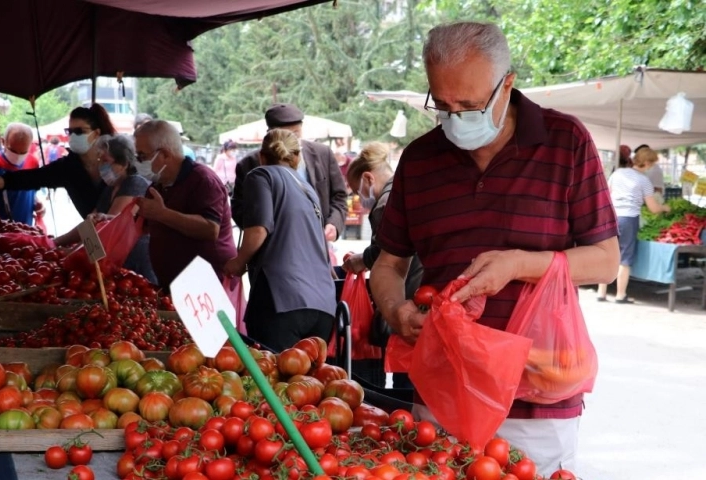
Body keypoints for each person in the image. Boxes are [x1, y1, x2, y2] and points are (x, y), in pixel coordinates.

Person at [369, 21, 620, 475]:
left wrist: (521, 265)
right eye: (442, 105)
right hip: (443, 397)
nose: (455, 117)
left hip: (538, 399)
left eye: (469, 105)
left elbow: (605, 260)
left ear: (507, 84)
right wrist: (395, 310)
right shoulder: (420, 159)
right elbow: (388, 264)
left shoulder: (567, 142)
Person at [224, 129, 336, 351]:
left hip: (281, 300)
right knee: (309, 383)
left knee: (273, 379)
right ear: (297, 158)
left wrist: (238, 263)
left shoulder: (261, 175)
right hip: (323, 307)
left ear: (262, 156)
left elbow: (258, 230)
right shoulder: (308, 189)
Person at [342, 142, 423, 388]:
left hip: (408, 296)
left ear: (368, 178)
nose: (359, 198)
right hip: (423, 296)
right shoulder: (408, 191)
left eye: (358, 191)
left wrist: (361, 260)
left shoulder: (385, 203)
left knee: (405, 381)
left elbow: (386, 253)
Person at [0, 104, 117, 218]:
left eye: (79, 131)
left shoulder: (117, 161)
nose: (73, 136)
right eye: (70, 131)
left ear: (96, 133)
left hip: (125, 235)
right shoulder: (68, 168)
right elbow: (28, 178)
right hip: (95, 236)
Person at [133, 120, 238, 291]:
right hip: (175, 287)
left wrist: (162, 214)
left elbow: (211, 229)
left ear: (165, 154)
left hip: (208, 291)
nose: (138, 162)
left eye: (142, 156)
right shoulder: (157, 186)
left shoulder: (203, 180)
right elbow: (142, 225)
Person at [232, 104, 347, 243]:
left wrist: (333, 224)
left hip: (317, 241)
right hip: (271, 247)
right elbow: (239, 207)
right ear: (270, 134)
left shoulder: (322, 154)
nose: (291, 141)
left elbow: (339, 196)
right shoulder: (248, 165)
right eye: (284, 136)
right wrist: (262, 231)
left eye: (296, 134)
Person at [53, 134, 156, 283]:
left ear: (124, 163)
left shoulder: (134, 184)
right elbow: (90, 224)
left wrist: (72, 252)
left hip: (134, 264)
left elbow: (108, 231)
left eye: (106, 161)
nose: (101, 166)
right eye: (100, 161)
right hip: (115, 264)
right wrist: (58, 242)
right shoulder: (111, 187)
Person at [598, 147, 670, 303]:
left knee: (608, 254)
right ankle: (620, 294)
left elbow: (606, 195)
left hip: (611, 216)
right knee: (625, 257)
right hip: (629, 219)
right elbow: (653, 208)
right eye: (651, 164)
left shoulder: (617, 173)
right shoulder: (644, 181)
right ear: (646, 163)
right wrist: (664, 208)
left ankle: (601, 293)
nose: (652, 168)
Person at [0, 123, 40, 225]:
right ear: (3, 141)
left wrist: (37, 204)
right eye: (13, 150)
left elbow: (32, 193)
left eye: (23, 152)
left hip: (28, 230)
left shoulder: (33, 162)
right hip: (3, 235)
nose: (18, 156)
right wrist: (10, 229)